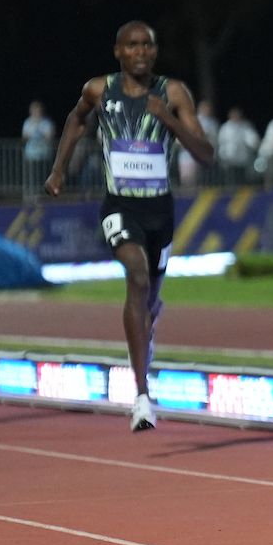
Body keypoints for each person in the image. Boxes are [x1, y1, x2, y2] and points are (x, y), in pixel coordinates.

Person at [45, 22, 215, 431]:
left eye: (147, 46)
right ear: (118, 52)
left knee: (149, 294)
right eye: (132, 45)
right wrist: (58, 170)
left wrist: (169, 120)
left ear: (155, 52)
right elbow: (75, 120)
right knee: (135, 276)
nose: (140, 52)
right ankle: (141, 396)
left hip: (160, 211)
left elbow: (206, 153)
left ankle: (148, 322)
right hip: (119, 206)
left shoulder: (173, 93)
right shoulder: (98, 90)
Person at [216, 105, 262, 178]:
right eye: (234, 115)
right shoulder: (225, 127)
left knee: (242, 178)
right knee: (230, 177)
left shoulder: (245, 126)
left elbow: (251, 138)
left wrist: (255, 143)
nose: (236, 117)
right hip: (228, 158)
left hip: (243, 158)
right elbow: (221, 142)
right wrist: (222, 155)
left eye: (237, 115)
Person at [21, 100, 56, 191]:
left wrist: (39, 131)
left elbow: (49, 136)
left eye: (38, 110)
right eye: (34, 110)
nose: (36, 112)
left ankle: (44, 195)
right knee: (32, 178)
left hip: (44, 154)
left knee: (43, 177)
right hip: (31, 154)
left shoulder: (47, 123)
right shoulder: (27, 122)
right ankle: (32, 195)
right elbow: (24, 136)